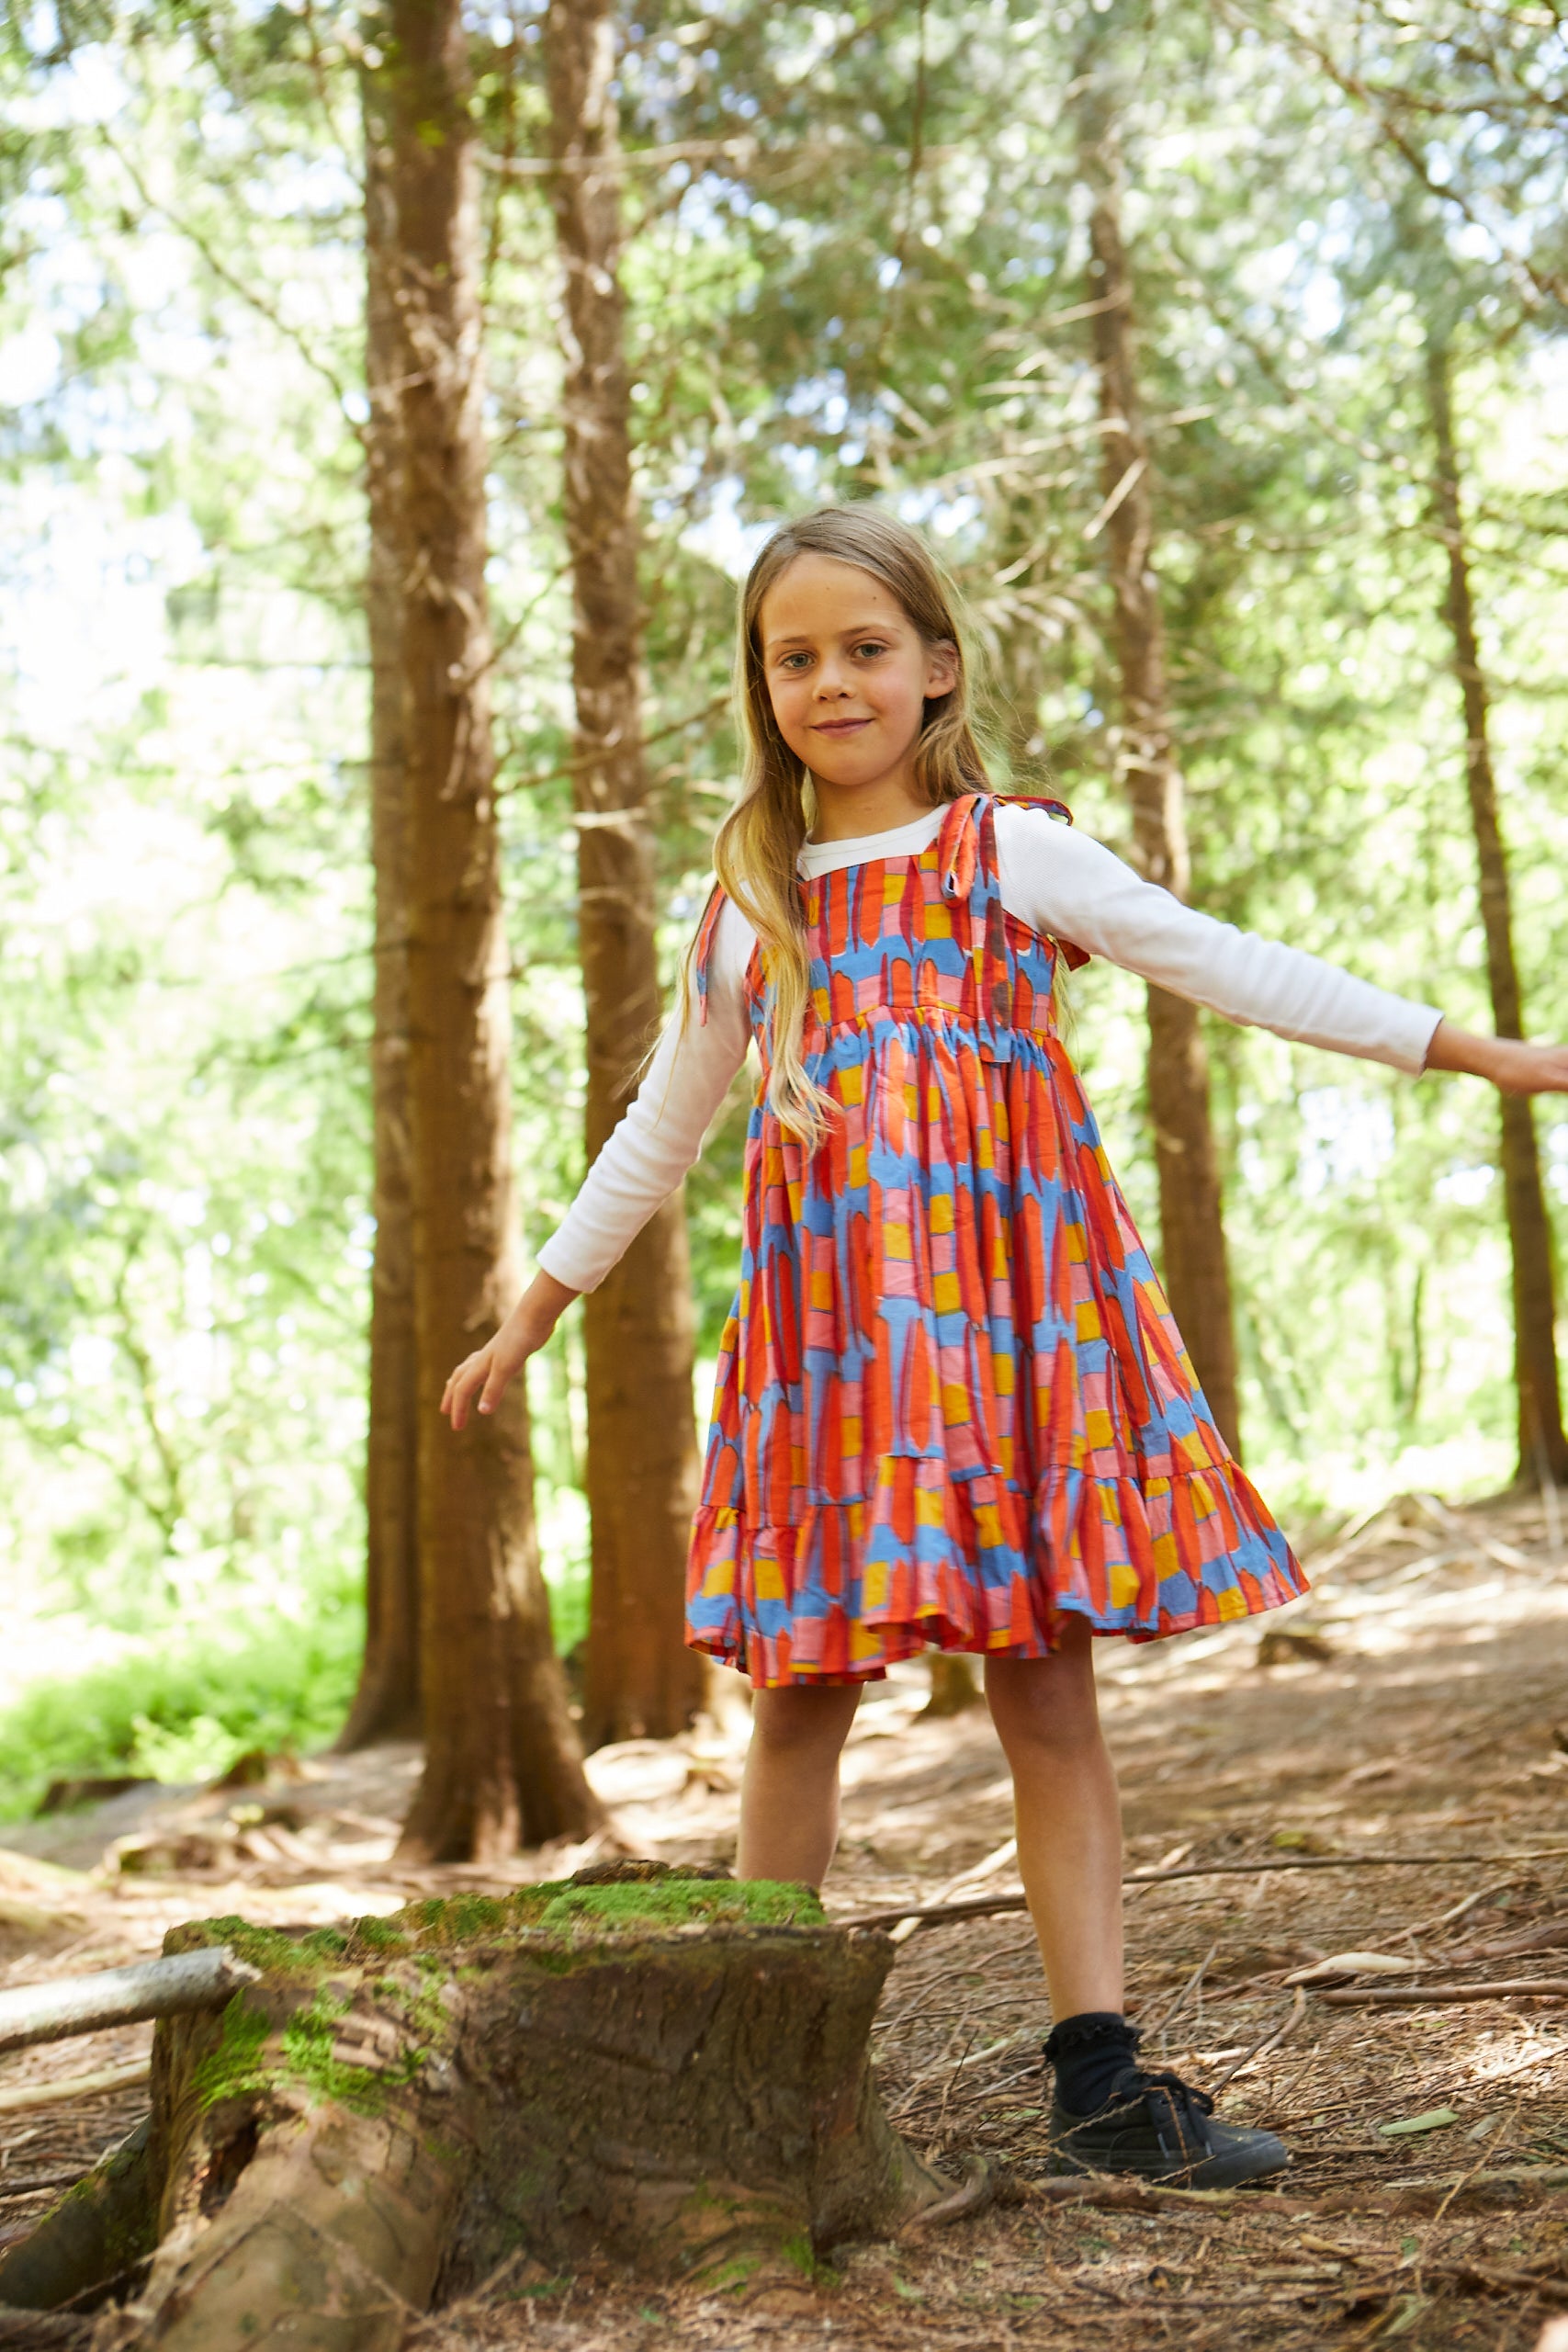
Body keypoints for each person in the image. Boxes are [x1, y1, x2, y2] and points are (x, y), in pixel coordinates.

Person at [443, 505, 1568, 2185]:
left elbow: (1222, 962)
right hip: (841, 1360)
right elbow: (659, 1130)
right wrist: (539, 1304)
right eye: (796, 655)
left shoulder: (1006, 855)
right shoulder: (755, 908)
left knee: (1046, 1686)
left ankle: (1103, 2086)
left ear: (937, 667)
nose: (832, 680)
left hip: (1015, 1328)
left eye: (865, 648)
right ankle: (760, 2087)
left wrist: (1476, 1053)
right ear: (763, 686)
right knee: (800, 1698)